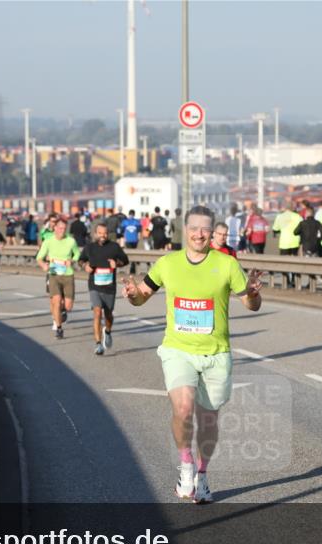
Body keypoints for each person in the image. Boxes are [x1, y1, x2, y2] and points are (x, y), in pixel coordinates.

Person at [122, 205, 263, 504]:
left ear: (211, 232)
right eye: (194, 228)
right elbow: (141, 298)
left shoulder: (226, 265)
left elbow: (251, 304)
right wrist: (133, 294)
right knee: (184, 408)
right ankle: (185, 463)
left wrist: (252, 294)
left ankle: (202, 474)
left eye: (205, 229)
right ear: (184, 230)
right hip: (178, 350)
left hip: (216, 353)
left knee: (208, 421)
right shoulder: (168, 263)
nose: (199, 234)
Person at [80, 224, 129, 355]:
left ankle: (107, 331)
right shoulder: (90, 247)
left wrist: (117, 263)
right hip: (94, 285)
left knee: (108, 315)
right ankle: (98, 344)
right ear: (95, 234)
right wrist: (85, 266)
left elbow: (125, 260)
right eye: (100, 233)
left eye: (105, 233)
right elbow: (81, 260)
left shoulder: (114, 247)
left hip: (109, 287)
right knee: (97, 312)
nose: (103, 235)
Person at [36, 218, 80, 339]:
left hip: (67, 274)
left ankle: (64, 311)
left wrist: (72, 260)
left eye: (64, 229)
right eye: (60, 228)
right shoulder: (49, 241)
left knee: (68, 305)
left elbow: (77, 254)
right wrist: (43, 265)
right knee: (56, 301)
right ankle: (59, 328)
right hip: (54, 272)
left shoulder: (71, 241)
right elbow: (39, 257)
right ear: (55, 228)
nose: (62, 230)